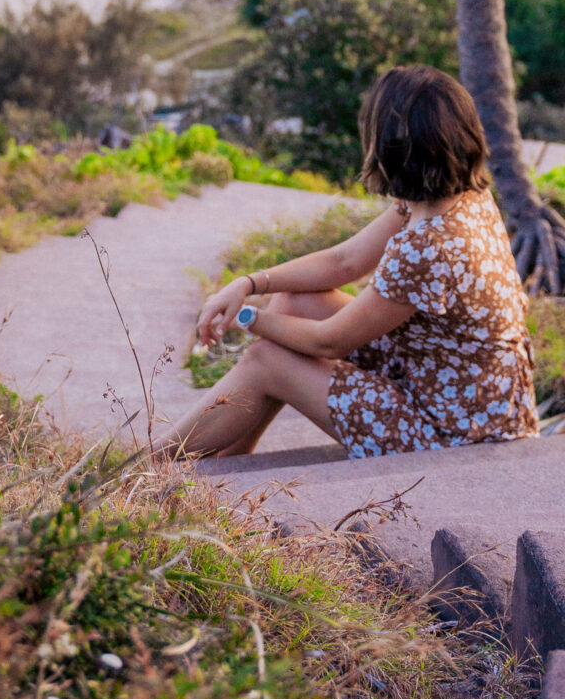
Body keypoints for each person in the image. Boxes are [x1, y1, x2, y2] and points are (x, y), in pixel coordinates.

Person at [166, 65, 538, 459]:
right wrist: (248, 284)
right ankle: (226, 462)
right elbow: (345, 262)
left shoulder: (427, 247)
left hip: (459, 432)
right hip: (457, 386)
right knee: (295, 301)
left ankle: (152, 464)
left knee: (265, 360)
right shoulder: (461, 197)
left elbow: (330, 340)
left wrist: (247, 317)